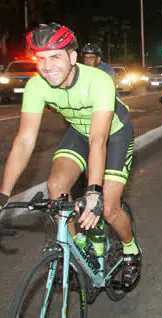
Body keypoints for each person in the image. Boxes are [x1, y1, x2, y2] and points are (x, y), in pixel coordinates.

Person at [0, 23, 141, 287]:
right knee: (56, 187)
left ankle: (131, 249)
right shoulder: (36, 86)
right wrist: (3, 194)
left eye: (55, 57)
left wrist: (94, 192)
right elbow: (24, 140)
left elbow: (98, 140)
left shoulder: (98, 80)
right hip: (78, 132)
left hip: (113, 134)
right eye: (40, 59)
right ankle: (78, 247)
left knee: (108, 209)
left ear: (72, 57)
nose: (47, 66)